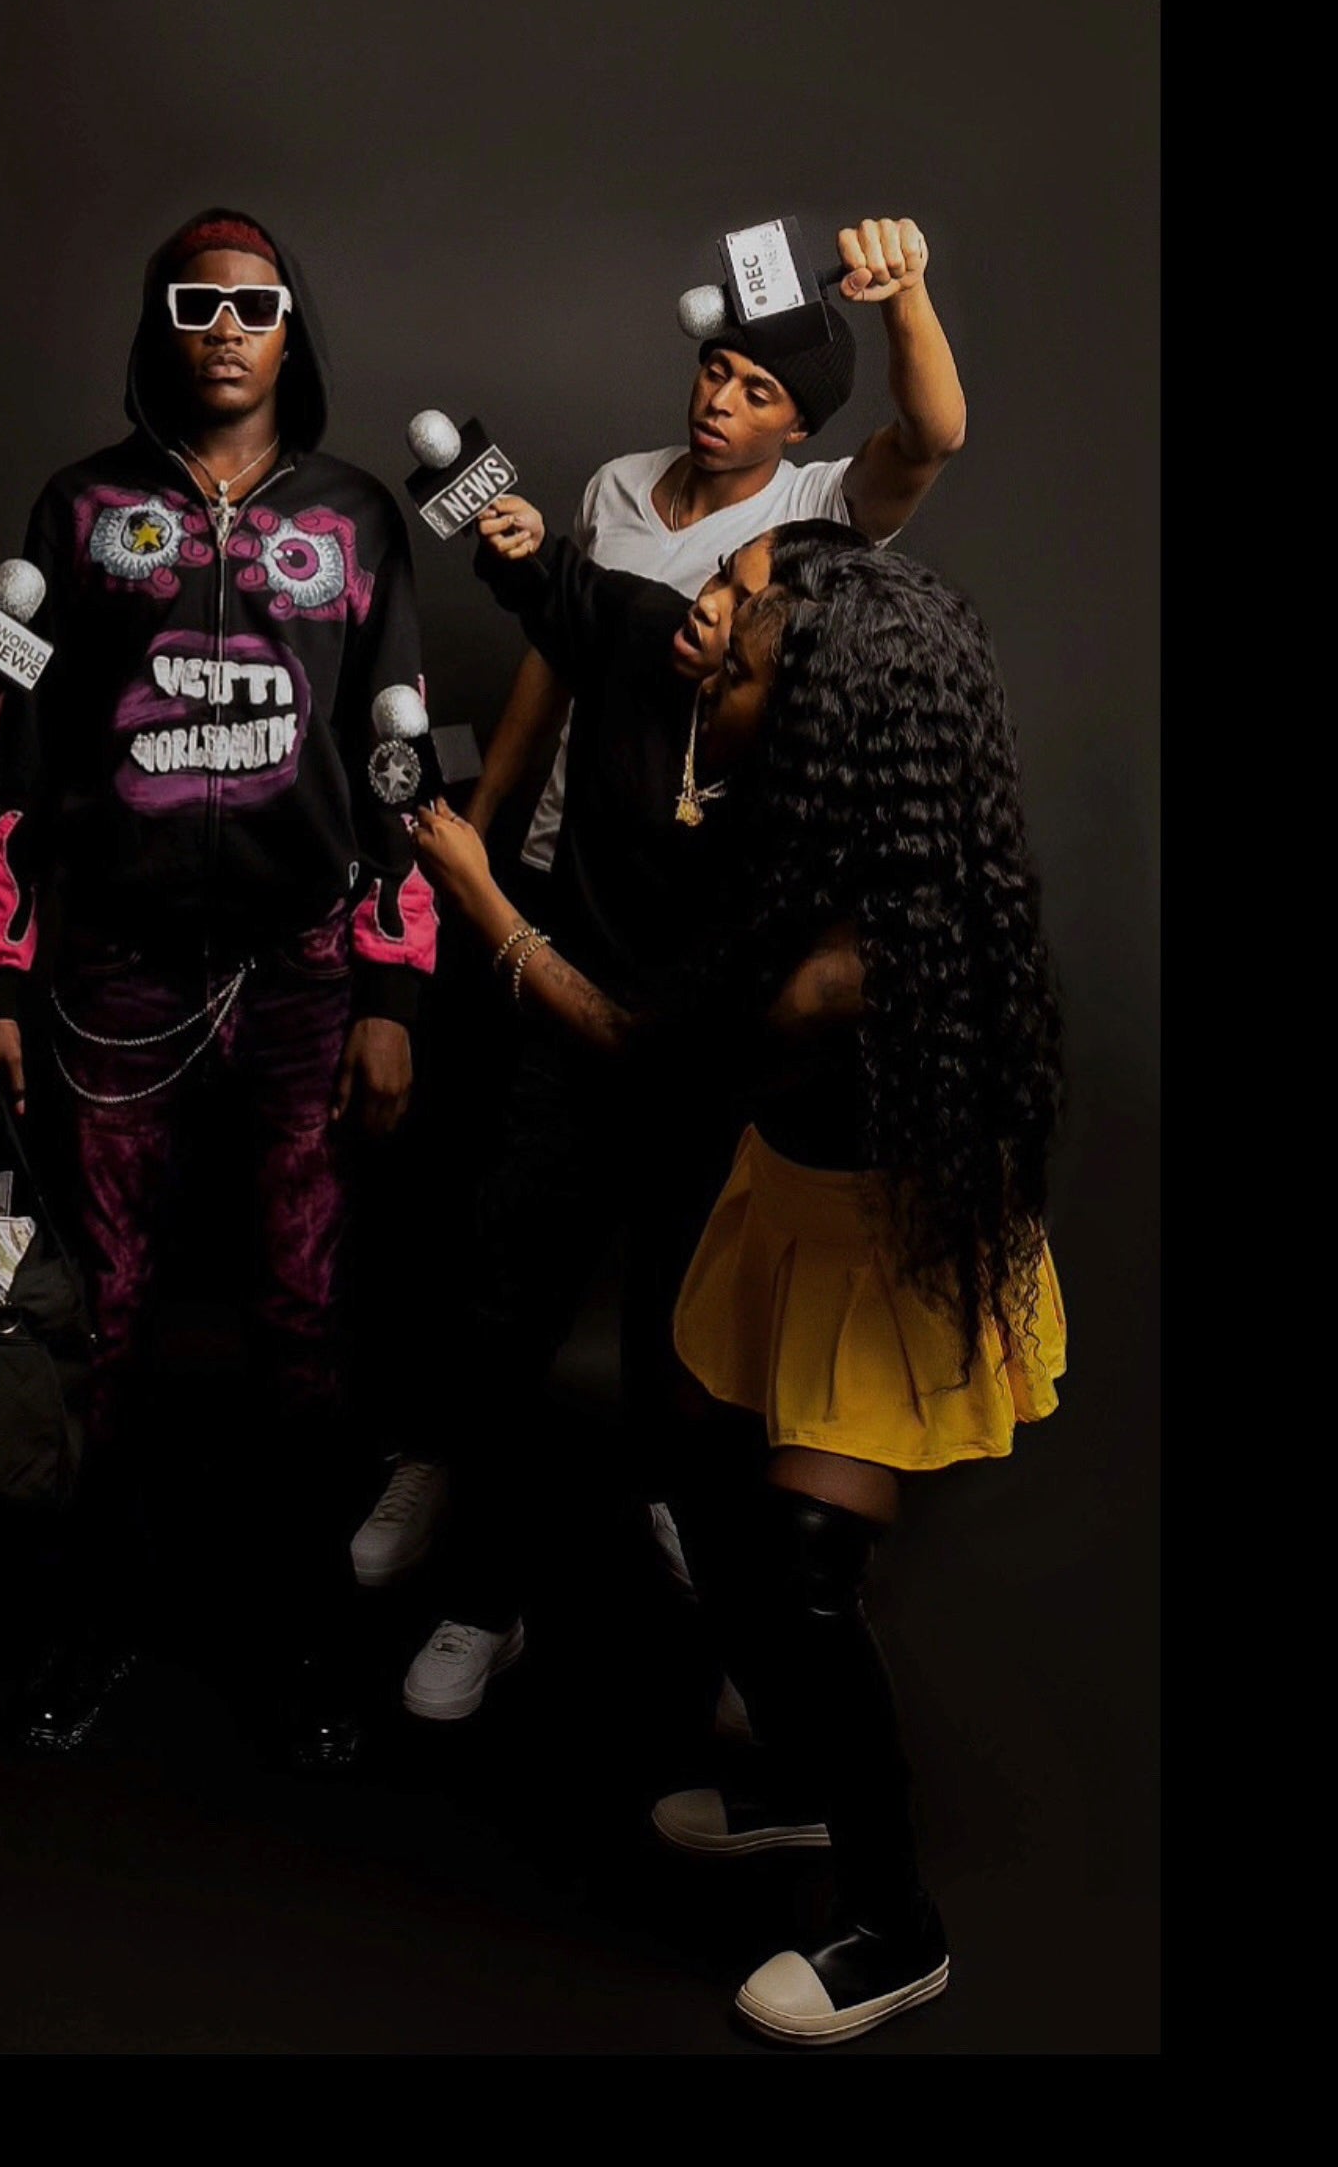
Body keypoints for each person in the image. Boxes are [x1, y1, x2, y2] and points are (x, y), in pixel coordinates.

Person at [412, 525, 1066, 2046]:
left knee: (801, 1564)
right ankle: (790, 1774)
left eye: (748, 634)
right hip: (786, 1198)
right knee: (697, 1468)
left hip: (881, 1254)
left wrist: (486, 904)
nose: (716, 632)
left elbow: (634, 1047)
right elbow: (620, 625)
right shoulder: (821, 812)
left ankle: (892, 1926)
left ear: (823, 706)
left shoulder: (843, 961)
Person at [357, 216, 967, 1589]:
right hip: (565, 871)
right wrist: (484, 834)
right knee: (504, 1219)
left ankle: (671, 1489)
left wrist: (908, 293)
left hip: (693, 910)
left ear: (799, 425)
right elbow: (560, 651)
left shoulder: (815, 518)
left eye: (758, 388)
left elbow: (929, 434)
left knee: (677, 1256)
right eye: (713, 369)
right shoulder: (619, 495)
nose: (720, 399)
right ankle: (455, 1461)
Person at [0, 209, 433, 1771]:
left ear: (292, 327)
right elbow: (11, 747)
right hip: (114, 963)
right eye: (195, 301)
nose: (224, 325)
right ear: (159, 323)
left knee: (301, 1311)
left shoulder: (355, 517)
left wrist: (392, 989)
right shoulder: (80, 505)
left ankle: (300, 1632)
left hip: (302, 969)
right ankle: (90, 1613)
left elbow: (395, 758)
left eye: (254, 302)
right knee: (101, 1307)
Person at [378, 510, 864, 1726]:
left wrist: (487, 907)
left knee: (683, 1366)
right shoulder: (646, 628)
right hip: (564, 1057)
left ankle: (746, 1633)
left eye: (741, 603)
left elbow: (656, 1044)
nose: (706, 602)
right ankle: (483, 1595)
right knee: (498, 1315)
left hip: (704, 1088)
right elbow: (548, 583)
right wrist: (506, 532)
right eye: (718, 577)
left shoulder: (814, 805)